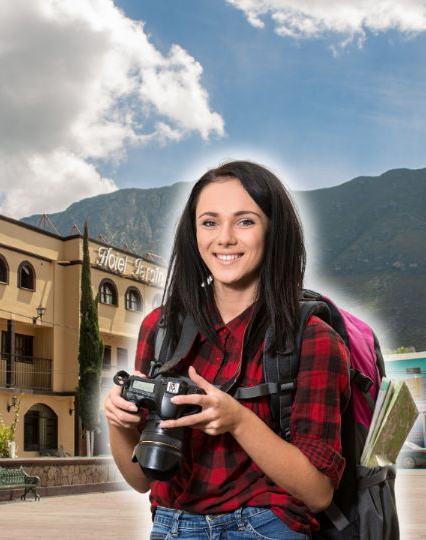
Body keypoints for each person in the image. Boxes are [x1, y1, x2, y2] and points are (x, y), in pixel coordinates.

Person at [103, 161, 351, 538]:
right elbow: (141, 480)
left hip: (266, 525)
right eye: (209, 222)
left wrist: (237, 420)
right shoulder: (162, 328)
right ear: (193, 232)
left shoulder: (311, 336)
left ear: (273, 230)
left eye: (245, 221)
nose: (225, 238)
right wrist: (117, 423)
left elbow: (318, 492)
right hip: (170, 525)